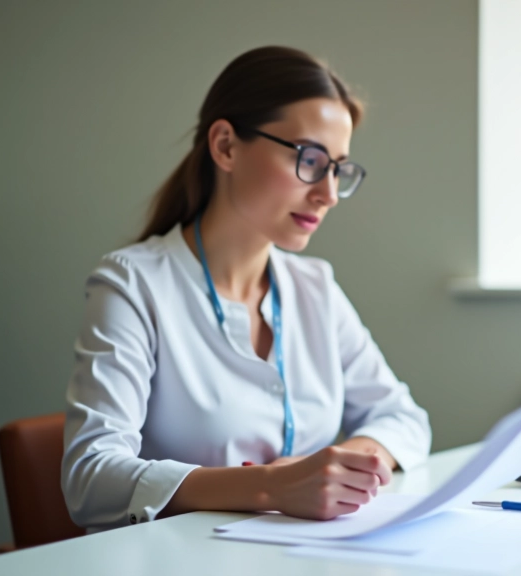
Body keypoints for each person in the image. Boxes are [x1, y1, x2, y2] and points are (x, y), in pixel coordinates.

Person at [61, 46, 431, 532]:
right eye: (310, 159)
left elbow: (404, 420)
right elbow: (91, 479)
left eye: (338, 169)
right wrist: (272, 488)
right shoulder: (133, 283)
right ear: (226, 146)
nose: (327, 193)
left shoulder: (313, 286)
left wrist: (335, 467)